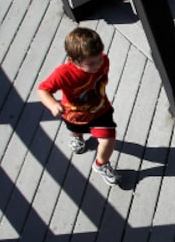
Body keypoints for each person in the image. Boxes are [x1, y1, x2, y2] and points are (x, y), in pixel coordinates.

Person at [37, 27, 121, 186]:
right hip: (75, 115)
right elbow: (43, 90)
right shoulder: (63, 73)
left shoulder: (104, 60)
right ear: (74, 60)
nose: (98, 65)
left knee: (108, 138)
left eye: (99, 60)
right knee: (76, 129)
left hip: (100, 110)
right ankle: (77, 137)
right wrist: (53, 104)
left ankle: (101, 164)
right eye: (91, 63)